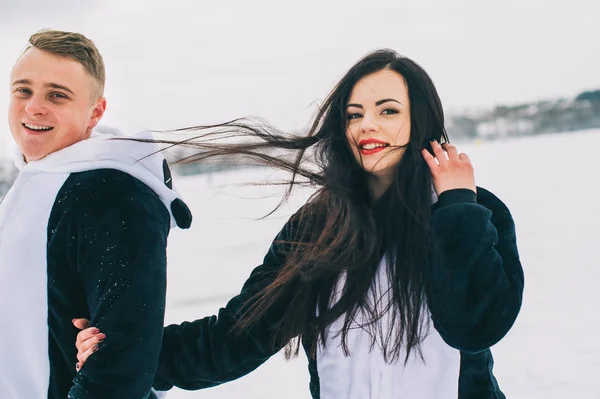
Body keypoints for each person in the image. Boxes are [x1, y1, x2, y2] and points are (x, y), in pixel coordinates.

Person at [74, 49, 524, 398]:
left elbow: (475, 326)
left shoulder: (470, 214)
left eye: (388, 111)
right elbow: (238, 337)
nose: (367, 125)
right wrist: (127, 353)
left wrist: (458, 203)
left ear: (420, 120)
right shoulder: (319, 227)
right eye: (354, 114)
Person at [0, 29, 191, 398]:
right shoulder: (36, 180)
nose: (33, 107)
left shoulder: (109, 195)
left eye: (57, 95)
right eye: (23, 90)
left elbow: (123, 361)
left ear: (95, 112)